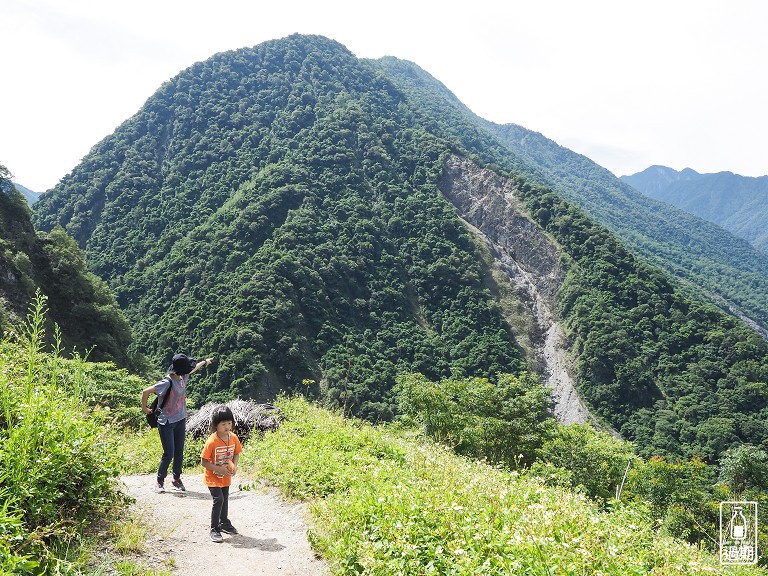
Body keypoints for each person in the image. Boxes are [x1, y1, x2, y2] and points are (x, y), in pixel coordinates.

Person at [141, 353, 214, 493]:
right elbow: (145, 392)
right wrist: (145, 408)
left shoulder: (182, 377)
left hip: (180, 419)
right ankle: (159, 481)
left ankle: (176, 478)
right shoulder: (166, 382)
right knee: (169, 453)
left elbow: (194, 368)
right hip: (166, 422)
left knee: (179, 451)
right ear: (180, 370)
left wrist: (205, 362)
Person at [200, 405, 243, 543]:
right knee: (218, 500)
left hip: (226, 476)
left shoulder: (233, 437)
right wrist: (218, 469)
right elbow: (204, 462)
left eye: (229, 423)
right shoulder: (212, 441)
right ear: (215, 425)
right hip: (213, 476)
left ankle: (224, 522)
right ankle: (214, 529)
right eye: (223, 424)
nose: (227, 427)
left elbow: (236, 453)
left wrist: (234, 466)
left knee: (225, 499)